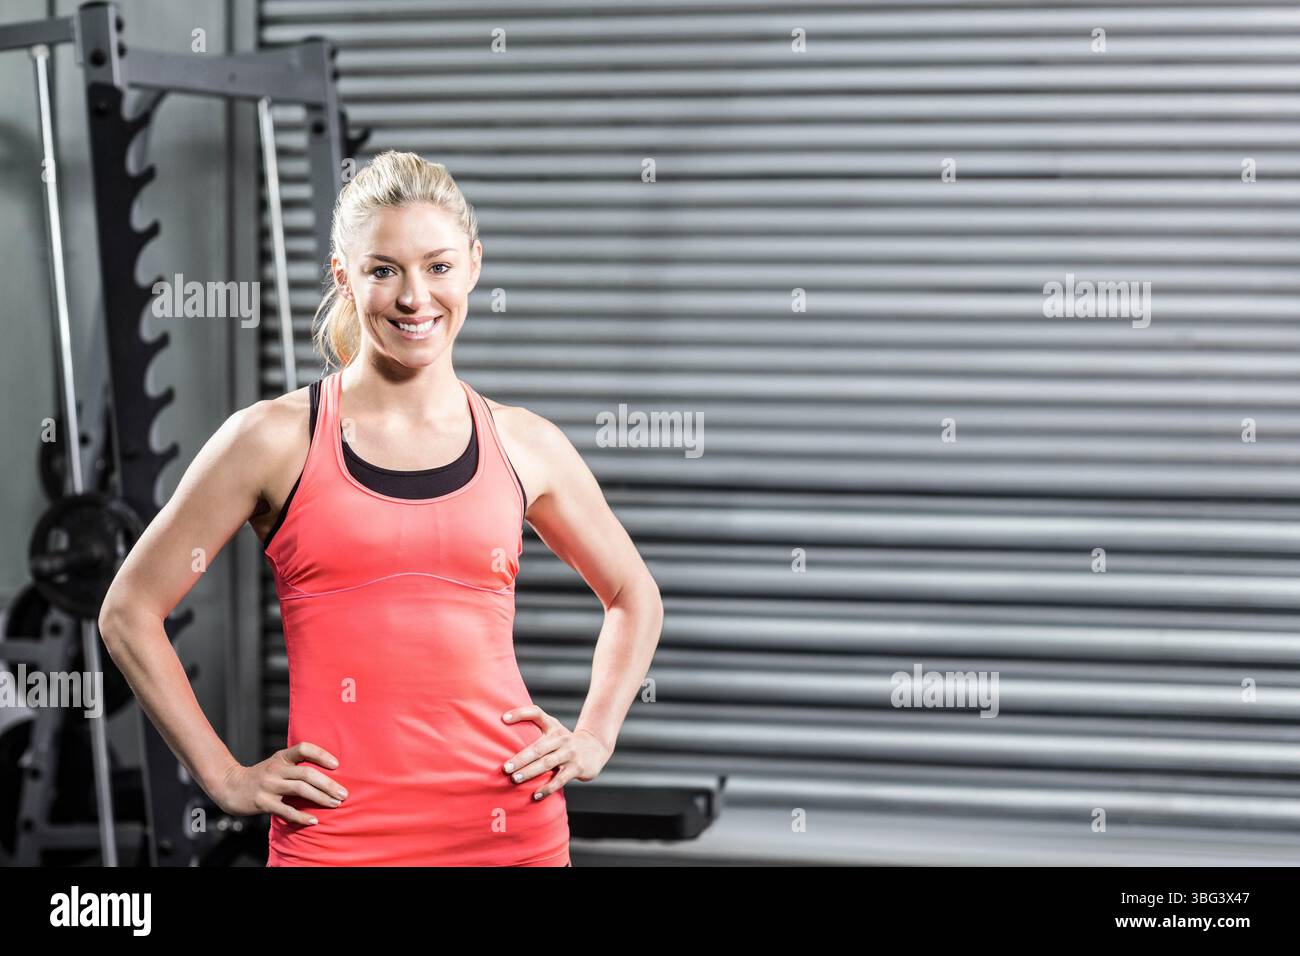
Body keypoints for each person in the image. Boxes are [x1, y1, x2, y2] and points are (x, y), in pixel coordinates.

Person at [97, 150, 664, 866]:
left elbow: (632, 594)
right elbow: (128, 611)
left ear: (474, 267)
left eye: (438, 266)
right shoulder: (274, 440)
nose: (414, 298)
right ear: (343, 274)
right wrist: (224, 776)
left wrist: (593, 736)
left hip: (506, 826)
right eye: (383, 269)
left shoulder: (526, 444)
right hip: (337, 836)